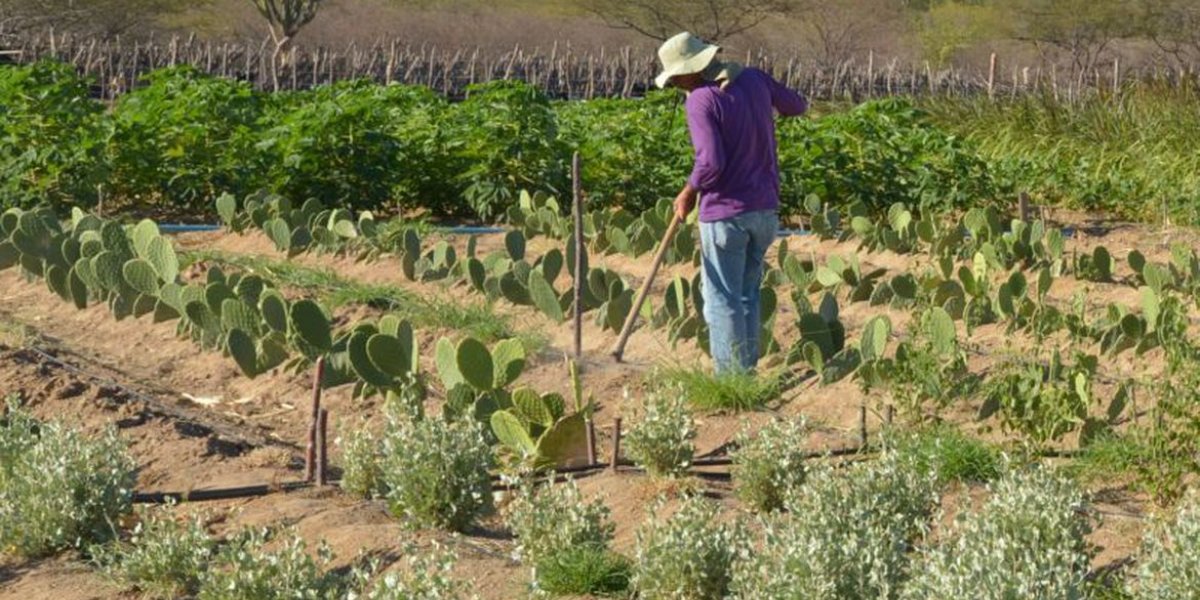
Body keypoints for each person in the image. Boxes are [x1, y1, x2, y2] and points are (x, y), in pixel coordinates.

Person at [656, 31, 808, 375]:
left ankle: (730, 380)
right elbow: (797, 105)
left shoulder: (700, 99)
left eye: (677, 77)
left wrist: (688, 191)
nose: (677, 84)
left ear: (691, 70)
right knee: (748, 295)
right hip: (765, 211)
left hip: (725, 213)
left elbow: (710, 163)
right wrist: (757, 101)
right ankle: (747, 374)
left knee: (722, 299)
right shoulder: (753, 78)